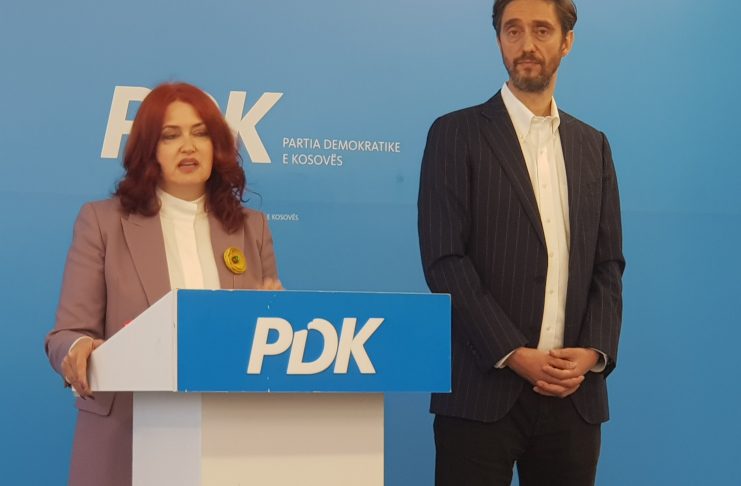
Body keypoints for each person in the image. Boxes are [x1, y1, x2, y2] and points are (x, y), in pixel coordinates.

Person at [418, 1, 624, 484]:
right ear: (499, 40)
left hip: (574, 398)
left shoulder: (593, 145)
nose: (526, 44)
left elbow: (608, 265)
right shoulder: (455, 133)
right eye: (513, 31)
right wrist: (512, 352)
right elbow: (445, 260)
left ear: (566, 42)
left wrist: (593, 352)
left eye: (541, 30)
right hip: (480, 391)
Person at [45, 82, 281, 486]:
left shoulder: (250, 227)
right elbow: (67, 334)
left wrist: (273, 319)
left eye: (200, 133)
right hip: (128, 432)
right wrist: (78, 348)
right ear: (148, 149)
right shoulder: (103, 222)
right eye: (170, 136)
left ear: (217, 145)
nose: (188, 146)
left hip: (228, 433)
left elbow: (268, 338)